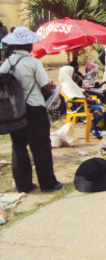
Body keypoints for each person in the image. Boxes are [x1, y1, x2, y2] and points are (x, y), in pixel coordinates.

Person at [0, 27, 64, 193]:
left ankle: (23, 185)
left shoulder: (6, 64)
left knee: (18, 146)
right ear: (27, 45)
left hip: (14, 112)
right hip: (34, 108)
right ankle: (48, 183)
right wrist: (51, 91)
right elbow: (45, 87)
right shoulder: (32, 62)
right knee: (40, 145)